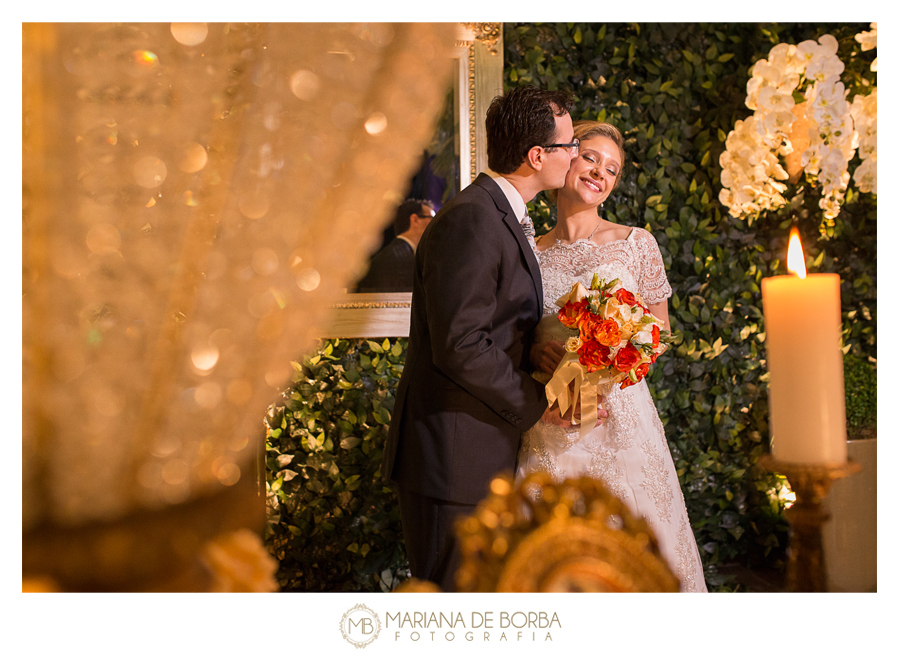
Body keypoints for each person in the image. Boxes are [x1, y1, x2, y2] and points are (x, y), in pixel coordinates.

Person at [382, 86, 605, 591]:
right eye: (569, 147)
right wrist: (538, 402)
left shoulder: (497, 213)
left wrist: (541, 354)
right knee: (453, 607)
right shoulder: (474, 218)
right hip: (453, 456)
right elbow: (462, 342)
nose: (574, 157)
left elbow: (493, 326)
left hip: (476, 447)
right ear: (536, 156)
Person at [518, 120, 708, 592]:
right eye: (590, 158)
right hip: (552, 414)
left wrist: (612, 354)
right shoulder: (529, 252)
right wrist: (535, 355)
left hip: (621, 414)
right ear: (566, 159)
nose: (600, 172)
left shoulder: (635, 244)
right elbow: (513, 333)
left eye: (612, 169)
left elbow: (658, 332)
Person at [354, 199, 435, 292]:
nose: (435, 224)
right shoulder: (400, 259)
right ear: (415, 220)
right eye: (432, 218)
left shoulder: (398, 254)